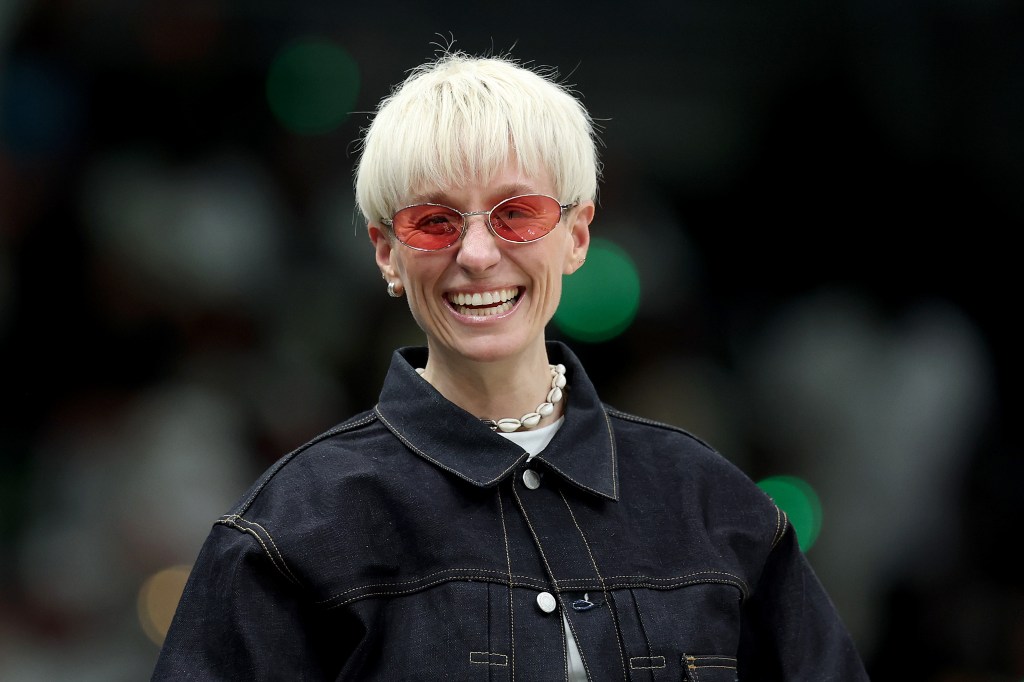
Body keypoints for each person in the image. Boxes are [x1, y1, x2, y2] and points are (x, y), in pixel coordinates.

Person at [153, 49, 869, 681]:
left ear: (577, 235)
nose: (476, 255)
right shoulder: (292, 532)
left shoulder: (711, 506)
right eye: (433, 221)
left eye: (516, 214)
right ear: (385, 254)